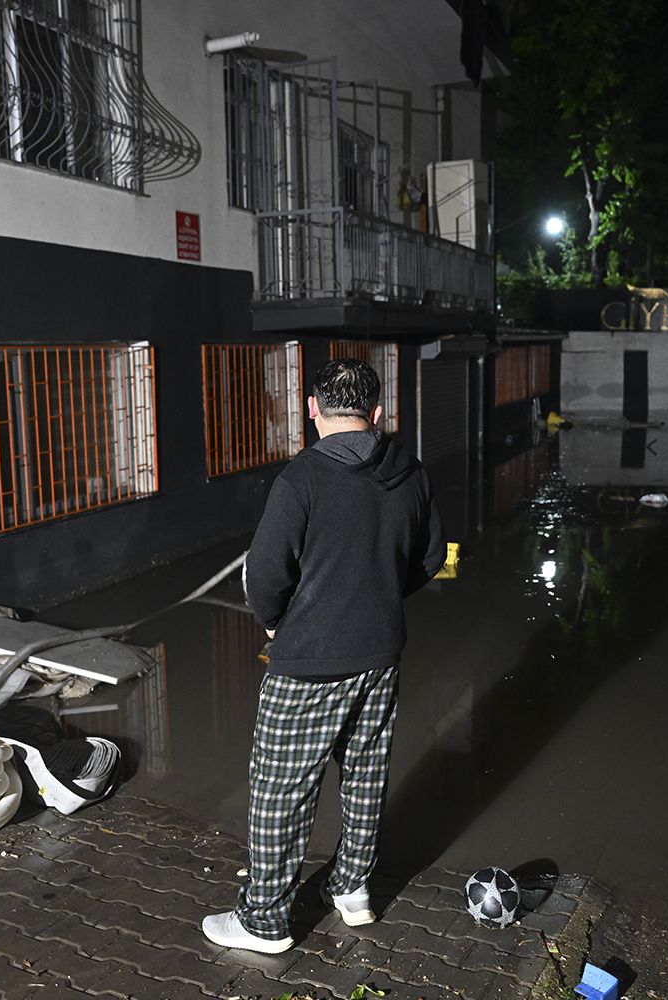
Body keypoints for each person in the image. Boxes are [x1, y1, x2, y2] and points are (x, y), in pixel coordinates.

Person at [201, 357, 445, 954]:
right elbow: (432, 557)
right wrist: (383, 595)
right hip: (381, 653)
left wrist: (282, 624)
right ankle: (353, 889)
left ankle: (263, 922)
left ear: (312, 410)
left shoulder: (300, 479)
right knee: (364, 774)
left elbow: (263, 577)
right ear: (378, 414)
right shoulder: (409, 471)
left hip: (309, 662)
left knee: (281, 789)